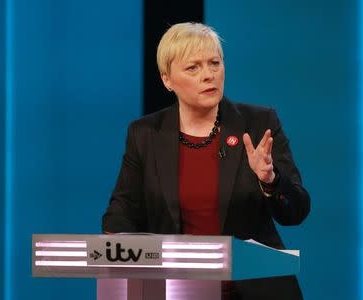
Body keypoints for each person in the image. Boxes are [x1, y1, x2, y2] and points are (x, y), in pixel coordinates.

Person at [102, 22, 310, 299]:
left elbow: (296, 211)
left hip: (253, 290)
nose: (208, 75)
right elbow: (122, 210)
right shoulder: (145, 134)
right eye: (193, 68)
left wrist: (270, 181)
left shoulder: (258, 123)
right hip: (177, 290)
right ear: (167, 79)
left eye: (215, 63)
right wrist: (116, 245)